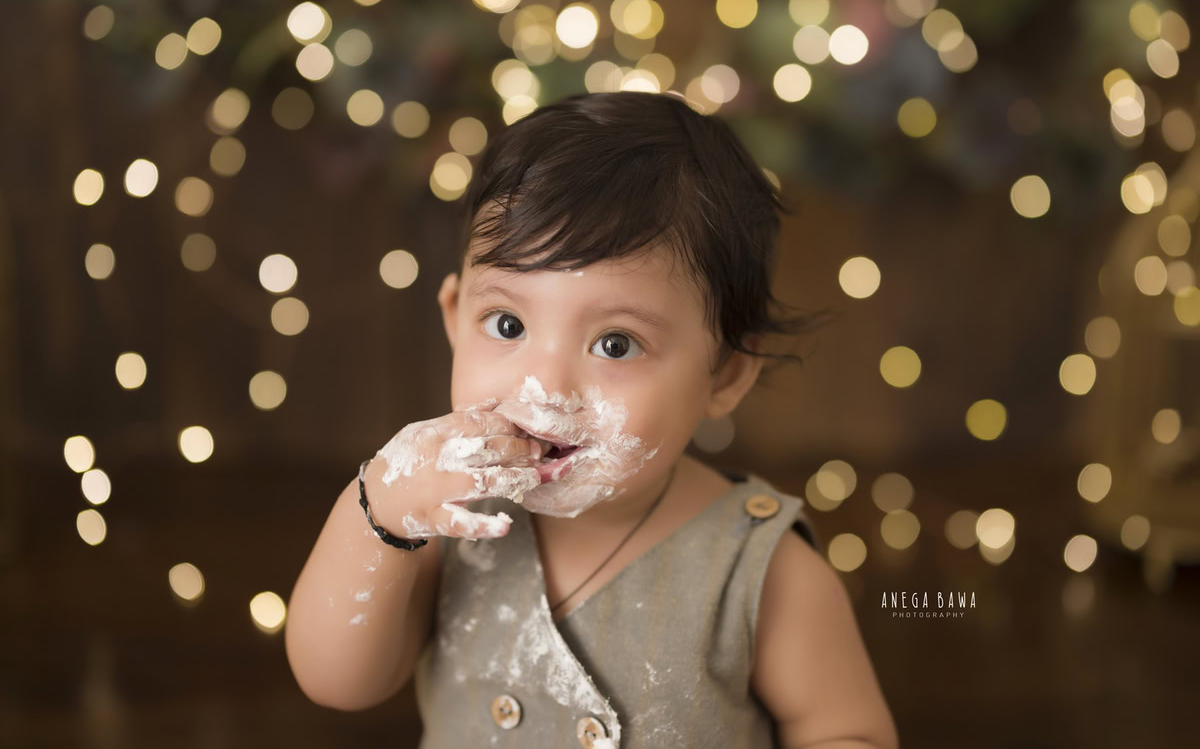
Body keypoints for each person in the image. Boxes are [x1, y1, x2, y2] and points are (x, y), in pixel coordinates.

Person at [285, 91, 899, 748]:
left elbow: (846, 731)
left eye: (615, 344)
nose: (545, 385)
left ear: (723, 374)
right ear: (454, 321)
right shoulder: (446, 517)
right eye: (508, 324)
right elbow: (338, 683)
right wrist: (378, 514)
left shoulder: (756, 570)